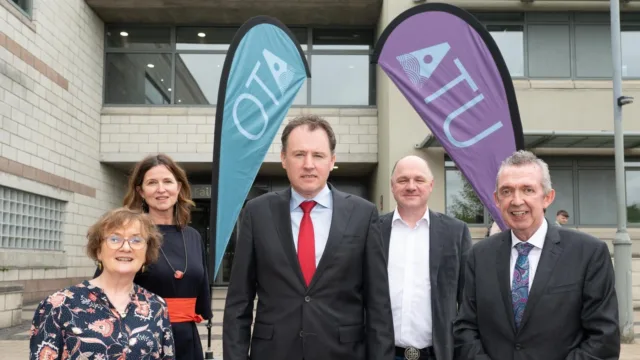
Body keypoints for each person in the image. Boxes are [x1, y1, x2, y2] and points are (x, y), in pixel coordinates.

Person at [223, 115, 395, 360]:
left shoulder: (363, 214)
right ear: (283, 159)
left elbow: (378, 305)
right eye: (299, 154)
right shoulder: (256, 212)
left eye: (318, 155)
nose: (308, 164)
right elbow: (239, 302)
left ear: (332, 161)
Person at [453, 150, 620, 360]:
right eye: (506, 191)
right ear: (496, 200)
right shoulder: (479, 256)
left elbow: (604, 338)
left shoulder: (589, 253)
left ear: (547, 197)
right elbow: (465, 328)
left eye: (528, 190)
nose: (516, 200)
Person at [95, 154, 212, 360]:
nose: (161, 189)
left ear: (179, 187)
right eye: (152, 183)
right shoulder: (127, 235)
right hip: (139, 337)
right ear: (140, 191)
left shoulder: (193, 236)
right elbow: (103, 291)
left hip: (186, 339)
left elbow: (201, 295)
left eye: (167, 181)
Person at [30, 207, 175, 359]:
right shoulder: (58, 305)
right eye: (114, 239)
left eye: (136, 240)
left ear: (146, 253)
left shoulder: (156, 306)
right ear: (98, 250)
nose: (126, 247)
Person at [380, 155, 472, 360]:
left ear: (431, 185)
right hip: (383, 353)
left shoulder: (455, 232)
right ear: (392, 186)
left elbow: (467, 302)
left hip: (437, 354)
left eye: (419, 180)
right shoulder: (373, 230)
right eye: (403, 180)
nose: (411, 186)